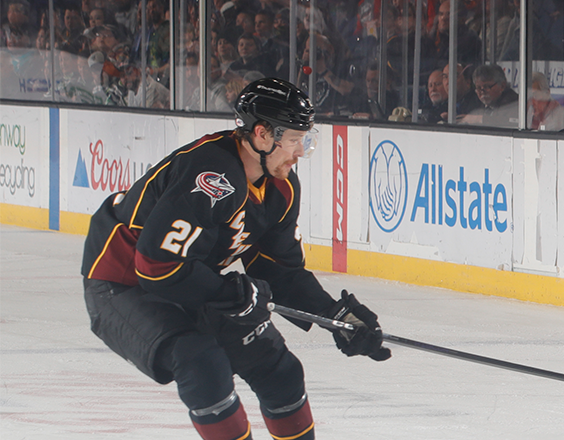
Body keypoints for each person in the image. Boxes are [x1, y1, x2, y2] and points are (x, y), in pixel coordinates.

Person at [80, 78, 392, 440]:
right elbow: (156, 266)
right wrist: (230, 293)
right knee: (202, 364)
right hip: (121, 281)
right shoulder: (211, 174)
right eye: (294, 140)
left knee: (281, 373)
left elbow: (280, 272)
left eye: (306, 140)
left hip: (190, 275)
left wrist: (337, 316)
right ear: (261, 135)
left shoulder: (281, 187)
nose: (300, 152)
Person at [460, 63, 520, 128]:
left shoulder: (513, 103)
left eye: (486, 87)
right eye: (478, 88)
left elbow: (510, 122)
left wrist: (480, 119)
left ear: (502, 86)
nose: (482, 92)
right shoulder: (475, 101)